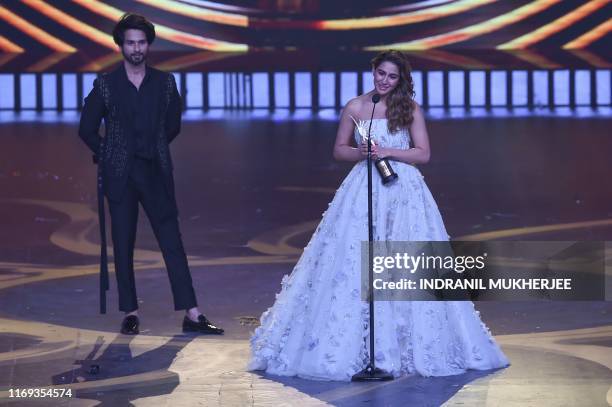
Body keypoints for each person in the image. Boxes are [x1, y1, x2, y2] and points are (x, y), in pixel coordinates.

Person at [248, 50, 509, 380]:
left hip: (404, 191)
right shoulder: (357, 106)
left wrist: (388, 151)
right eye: (380, 74)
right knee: (353, 261)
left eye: (391, 76)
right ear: (373, 72)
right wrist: (361, 152)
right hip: (363, 188)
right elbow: (339, 149)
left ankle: (408, 344)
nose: (384, 81)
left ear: (401, 79)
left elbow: (423, 153)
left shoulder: (409, 108)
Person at [79, 13, 223, 336]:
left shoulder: (164, 82)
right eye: (130, 42)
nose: (136, 48)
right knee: (124, 242)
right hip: (120, 175)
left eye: (141, 42)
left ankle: (193, 313)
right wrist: (108, 153)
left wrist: (155, 146)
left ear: (149, 45)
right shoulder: (106, 85)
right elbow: (86, 128)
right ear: (120, 46)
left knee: (172, 240)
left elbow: (173, 124)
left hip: (155, 171)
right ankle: (130, 312)